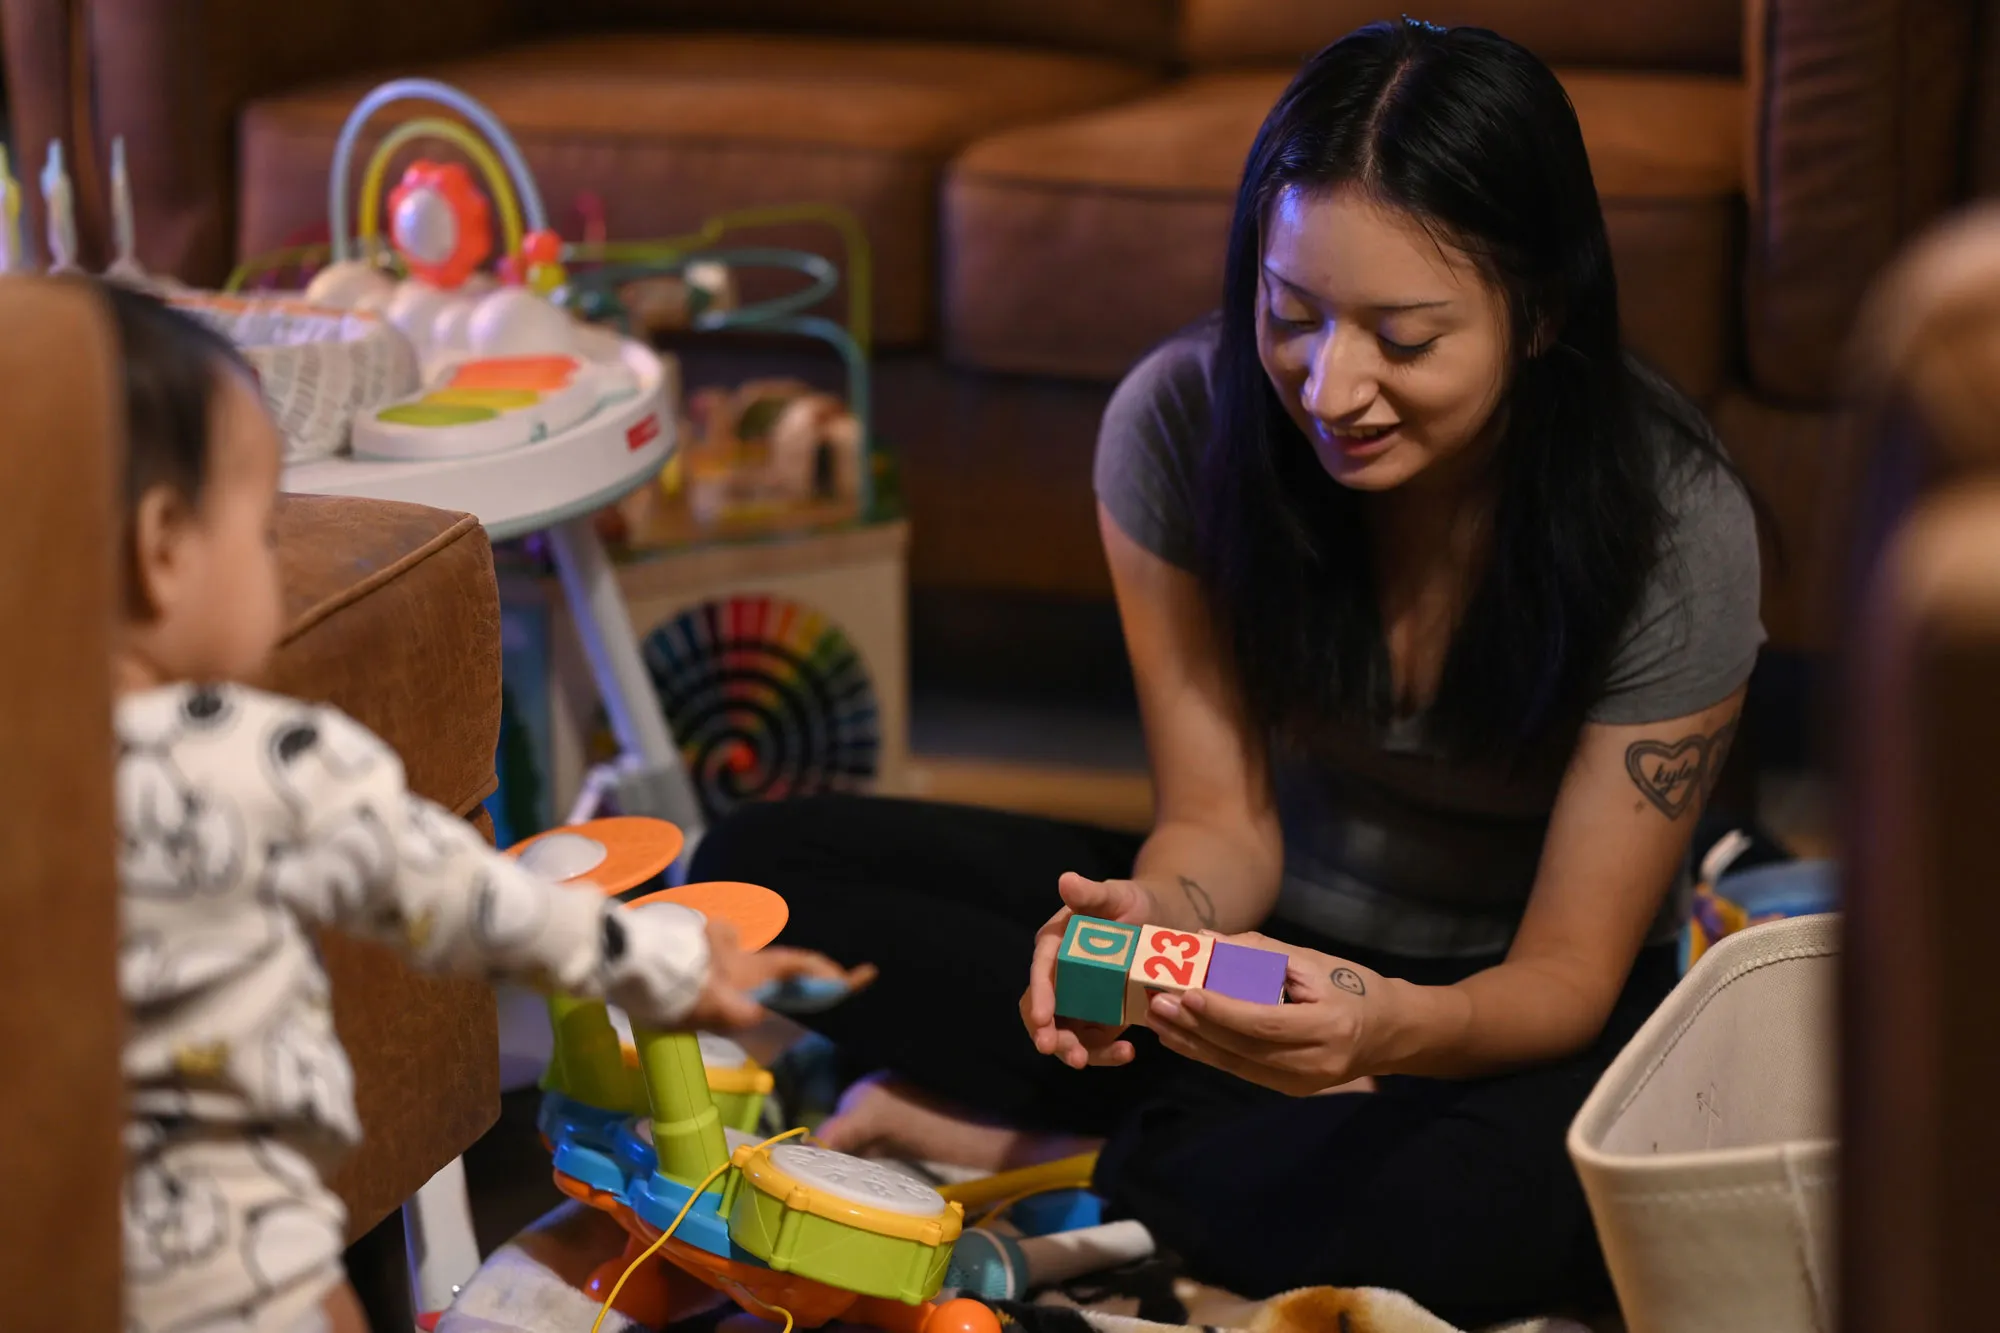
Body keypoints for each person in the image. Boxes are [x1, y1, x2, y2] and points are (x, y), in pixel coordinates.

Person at [689, 19, 1762, 1326]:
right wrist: (1146, 926)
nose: (1333, 385)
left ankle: (1069, 1150)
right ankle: (1211, 1135)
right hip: (1268, 959)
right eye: (1291, 314)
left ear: (1538, 315)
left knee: (1503, 1209)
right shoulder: (1182, 421)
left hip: (1501, 1010)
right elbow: (1221, 828)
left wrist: (1382, 1032)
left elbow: (1569, 975)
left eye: (1407, 340)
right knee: (750, 872)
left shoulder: (1672, 518)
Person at [102, 282, 866, 1333]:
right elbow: (472, 899)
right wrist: (674, 966)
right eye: (266, 528)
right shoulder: (260, 758)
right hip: (238, 1254)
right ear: (161, 548)